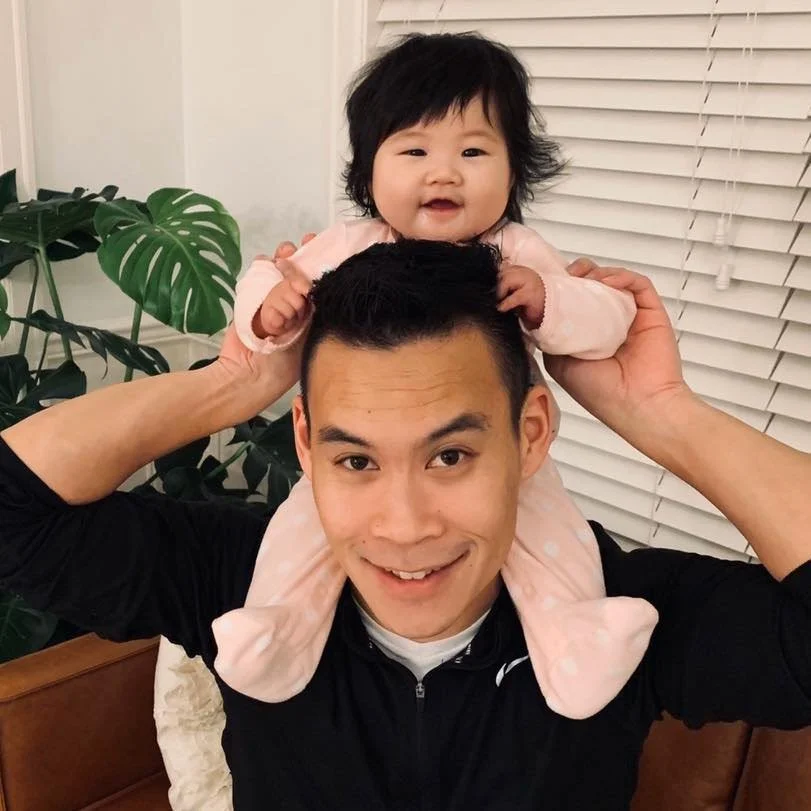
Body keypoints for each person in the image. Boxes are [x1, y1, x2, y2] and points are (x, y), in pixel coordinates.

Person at [1, 240, 810, 811]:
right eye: (355, 461)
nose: (404, 525)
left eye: (450, 456)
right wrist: (229, 384)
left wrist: (663, 414)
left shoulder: (613, 614)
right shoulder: (244, 582)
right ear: (306, 443)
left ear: (529, 434)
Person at [224, 30, 653, 718]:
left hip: (502, 463)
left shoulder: (514, 252)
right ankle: (280, 627)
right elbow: (268, 280)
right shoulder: (352, 246)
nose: (443, 173)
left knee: (551, 535)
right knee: (298, 528)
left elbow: (607, 316)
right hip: (374, 472)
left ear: (516, 171)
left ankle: (577, 638)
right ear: (368, 175)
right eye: (415, 150)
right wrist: (265, 312)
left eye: (473, 151)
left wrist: (551, 299)